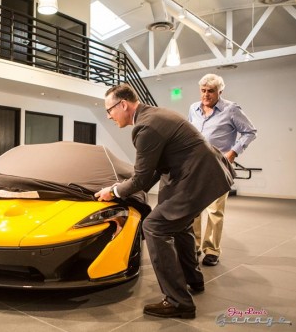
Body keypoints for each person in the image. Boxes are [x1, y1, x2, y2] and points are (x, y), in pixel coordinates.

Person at [94, 84, 235, 319]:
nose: (109, 116)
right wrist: (134, 190)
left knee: (155, 227)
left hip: (197, 176)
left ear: (123, 105)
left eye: (109, 110)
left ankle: (178, 302)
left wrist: (115, 191)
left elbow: (140, 177)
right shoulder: (154, 115)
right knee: (180, 224)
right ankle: (194, 280)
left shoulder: (145, 127)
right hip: (204, 172)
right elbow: (155, 170)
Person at [188, 73, 257, 266]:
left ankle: (211, 250)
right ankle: (194, 245)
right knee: (193, 209)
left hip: (219, 166)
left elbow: (250, 132)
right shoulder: (194, 108)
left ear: (220, 91)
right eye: (203, 91)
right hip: (195, 165)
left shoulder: (231, 109)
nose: (206, 95)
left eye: (211, 91)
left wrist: (233, 153)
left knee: (214, 210)